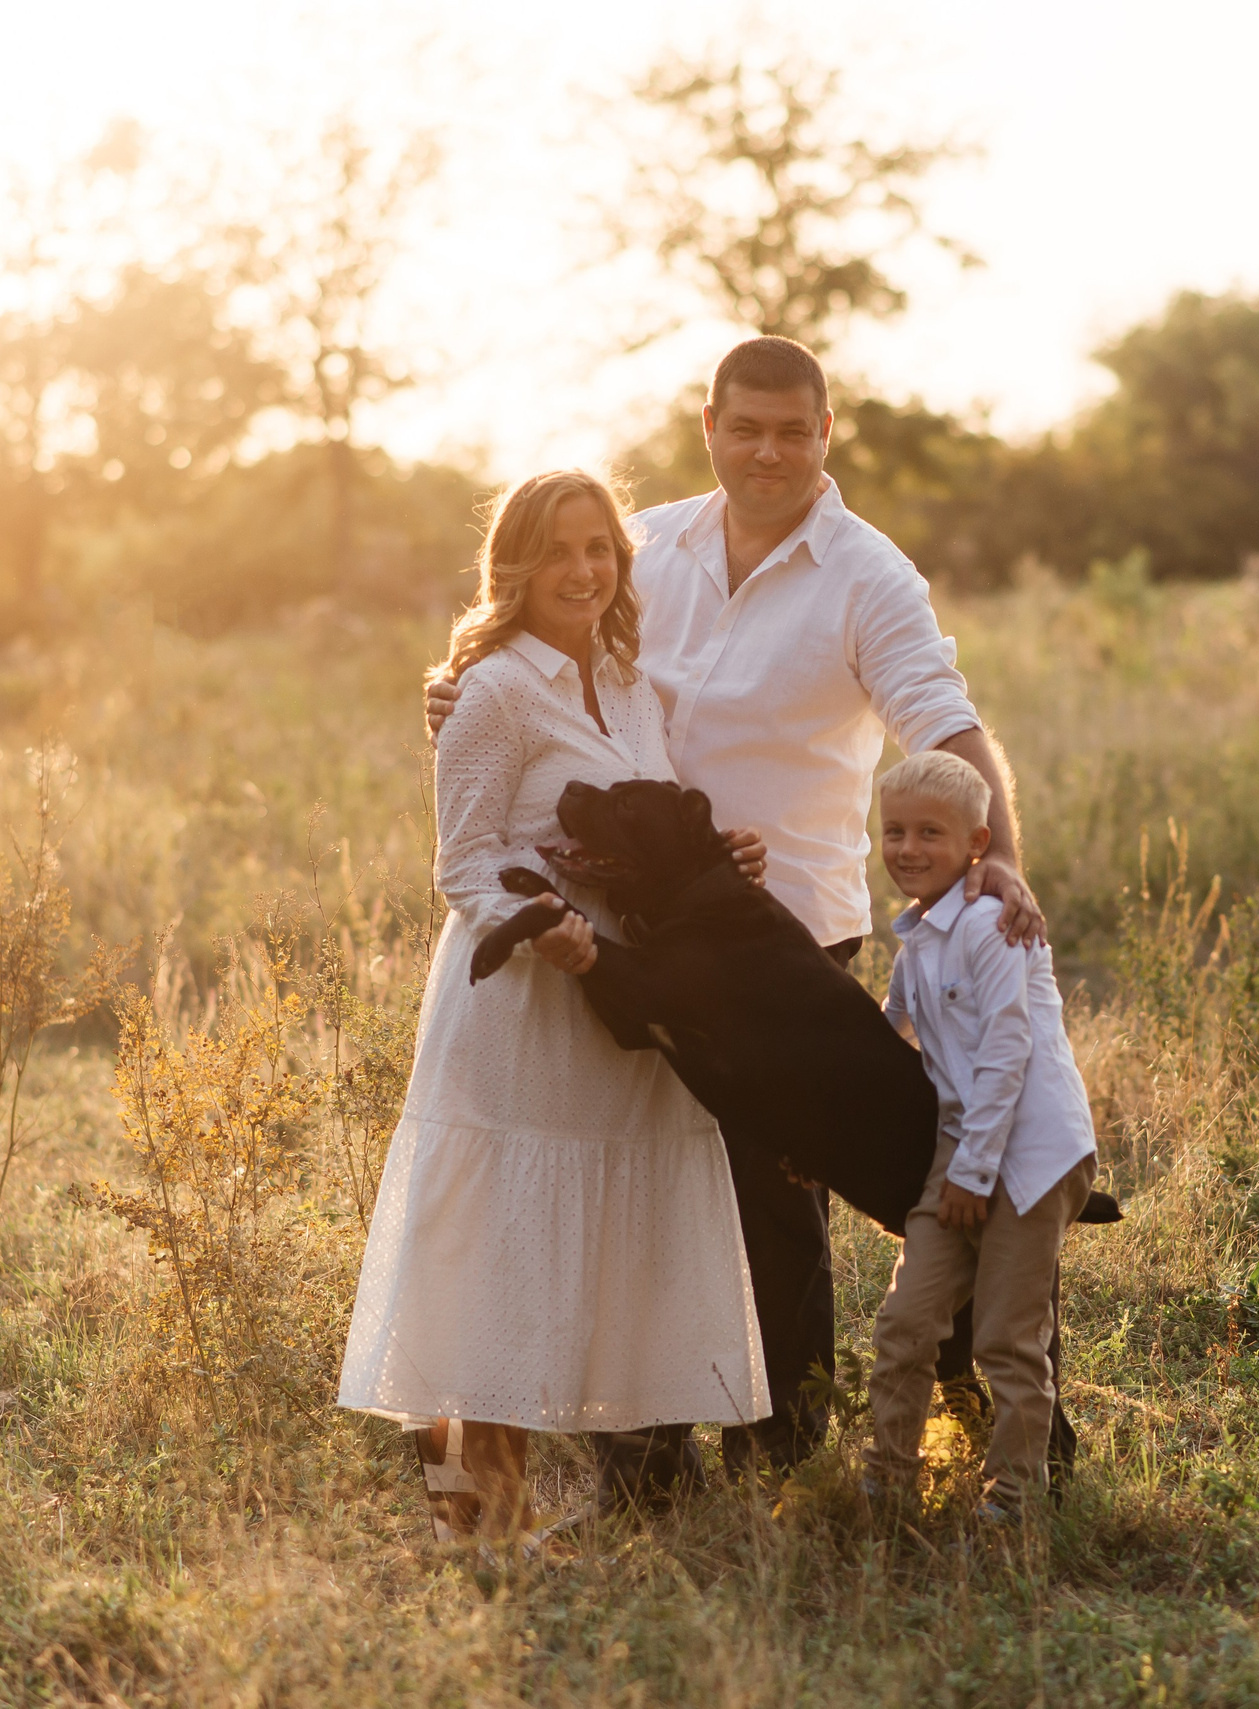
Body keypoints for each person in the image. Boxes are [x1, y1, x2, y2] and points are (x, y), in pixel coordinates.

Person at [428, 336, 1047, 1474]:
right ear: (707, 423)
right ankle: (647, 1440)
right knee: (651, 1185)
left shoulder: (866, 574)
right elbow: (555, 645)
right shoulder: (643, 544)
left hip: (784, 928)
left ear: (826, 435)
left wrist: (994, 856)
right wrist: (470, 685)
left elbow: (942, 720)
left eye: (792, 430)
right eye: (745, 427)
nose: (768, 450)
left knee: (778, 1197)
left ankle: (785, 1446)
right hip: (629, 931)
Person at [339, 469, 769, 1543]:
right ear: (515, 568)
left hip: (619, 1000)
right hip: (521, 1001)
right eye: (561, 552)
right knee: (487, 1256)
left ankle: (575, 1498)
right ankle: (469, 1518)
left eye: (601, 550)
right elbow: (464, 862)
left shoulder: (626, 681)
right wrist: (542, 923)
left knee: (594, 1248)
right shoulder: (489, 689)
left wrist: (715, 859)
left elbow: (634, 831)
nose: (584, 571)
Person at [860, 751, 1095, 1522]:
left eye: (931, 832)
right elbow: (884, 1035)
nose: (907, 849)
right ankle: (886, 1481)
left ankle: (1016, 1498)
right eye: (894, 831)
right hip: (960, 1153)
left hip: (1025, 1152)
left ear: (977, 842)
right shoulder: (918, 941)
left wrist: (974, 1171)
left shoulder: (996, 925)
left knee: (1006, 1337)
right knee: (904, 1321)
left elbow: (1007, 1054)